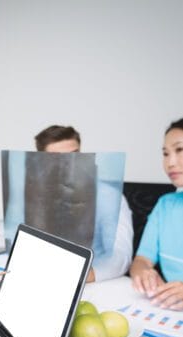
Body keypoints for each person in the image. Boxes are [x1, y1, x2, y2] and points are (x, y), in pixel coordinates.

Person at [34, 125, 133, 282]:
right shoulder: (35, 197)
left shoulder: (109, 195)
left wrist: (87, 275)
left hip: (96, 283)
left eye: (75, 155)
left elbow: (121, 255)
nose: (70, 165)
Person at [130, 119, 183, 311]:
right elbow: (141, 260)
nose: (171, 162)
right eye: (165, 153)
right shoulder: (165, 204)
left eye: (180, 150)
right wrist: (145, 274)